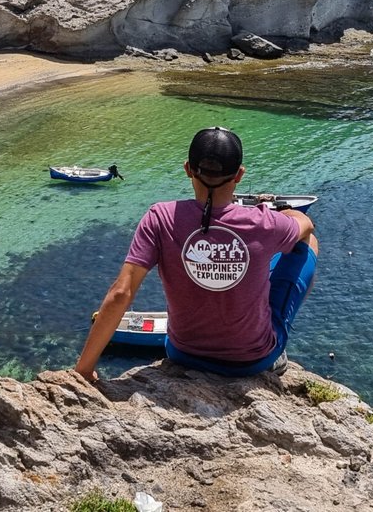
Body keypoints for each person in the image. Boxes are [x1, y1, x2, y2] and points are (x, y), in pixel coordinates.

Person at [73, 126, 317, 381]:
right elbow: (306, 225)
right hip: (252, 361)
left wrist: (85, 371)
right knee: (307, 243)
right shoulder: (264, 223)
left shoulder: (160, 217)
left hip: (183, 353)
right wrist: (284, 213)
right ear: (239, 175)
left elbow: (121, 292)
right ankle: (275, 348)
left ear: (188, 169)